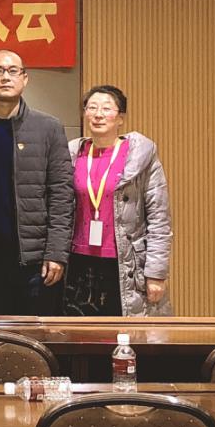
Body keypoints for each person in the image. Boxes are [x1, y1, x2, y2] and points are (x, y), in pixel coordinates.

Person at [0, 49, 73, 315]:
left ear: (24, 78)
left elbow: (61, 195)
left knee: (35, 334)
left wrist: (56, 253)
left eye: (13, 71)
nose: (5, 77)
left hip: (34, 261)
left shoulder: (49, 128)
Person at [64, 85, 173, 316]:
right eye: (92, 108)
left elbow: (159, 218)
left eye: (106, 108)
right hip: (78, 262)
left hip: (125, 263)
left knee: (124, 331)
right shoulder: (72, 153)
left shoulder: (140, 156)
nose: (98, 114)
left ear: (121, 118)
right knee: (80, 331)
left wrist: (156, 273)